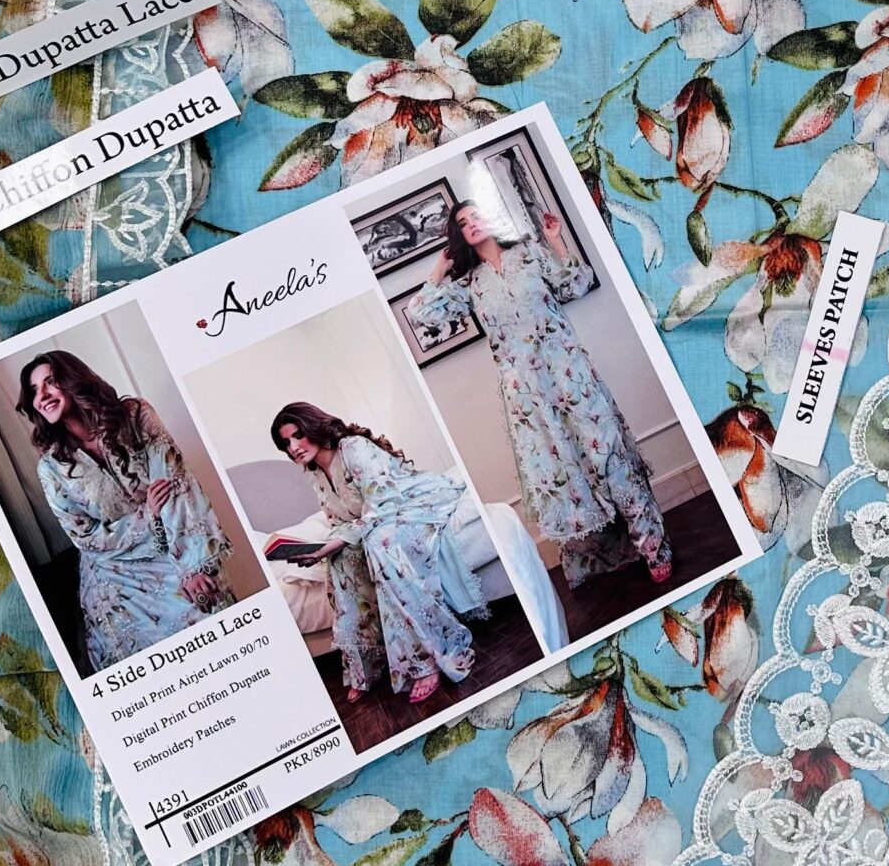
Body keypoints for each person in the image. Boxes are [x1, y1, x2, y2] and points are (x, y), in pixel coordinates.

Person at [410, 199, 672, 587]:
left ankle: (653, 547)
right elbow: (421, 312)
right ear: (459, 235)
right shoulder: (469, 286)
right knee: (568, 474)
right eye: (463, 222)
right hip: (528, 399)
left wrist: (556, 241)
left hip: (572, 376)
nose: (473, 223)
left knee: (610, 458)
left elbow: (576, 283)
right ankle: (608, 552)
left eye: (476, 215)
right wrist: (440, 266)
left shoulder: (529, 253)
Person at [16, 350, 231, 673]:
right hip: (113, 572)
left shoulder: (134, 416)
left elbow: (176, 483)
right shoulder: (51, 468)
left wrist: (192, 566)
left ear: (73, 380)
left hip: (178, 542)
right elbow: (85, 537)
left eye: (51, 382)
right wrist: (147, 516)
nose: (42, 396)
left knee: (210, 608)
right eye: (34, 391)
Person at [268, 403, 485, 706]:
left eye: (297, 436)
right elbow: (338, 520)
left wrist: (335, 541)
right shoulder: (314, 472)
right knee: (340, 561)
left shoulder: (353, 448)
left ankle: (429, 658)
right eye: (285, 444)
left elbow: (382, 503)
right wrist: (323, 549)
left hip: (412, 501)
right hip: (376, 518)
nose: (293, 448)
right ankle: (366, 668)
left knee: (380, 545)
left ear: (313, 427)